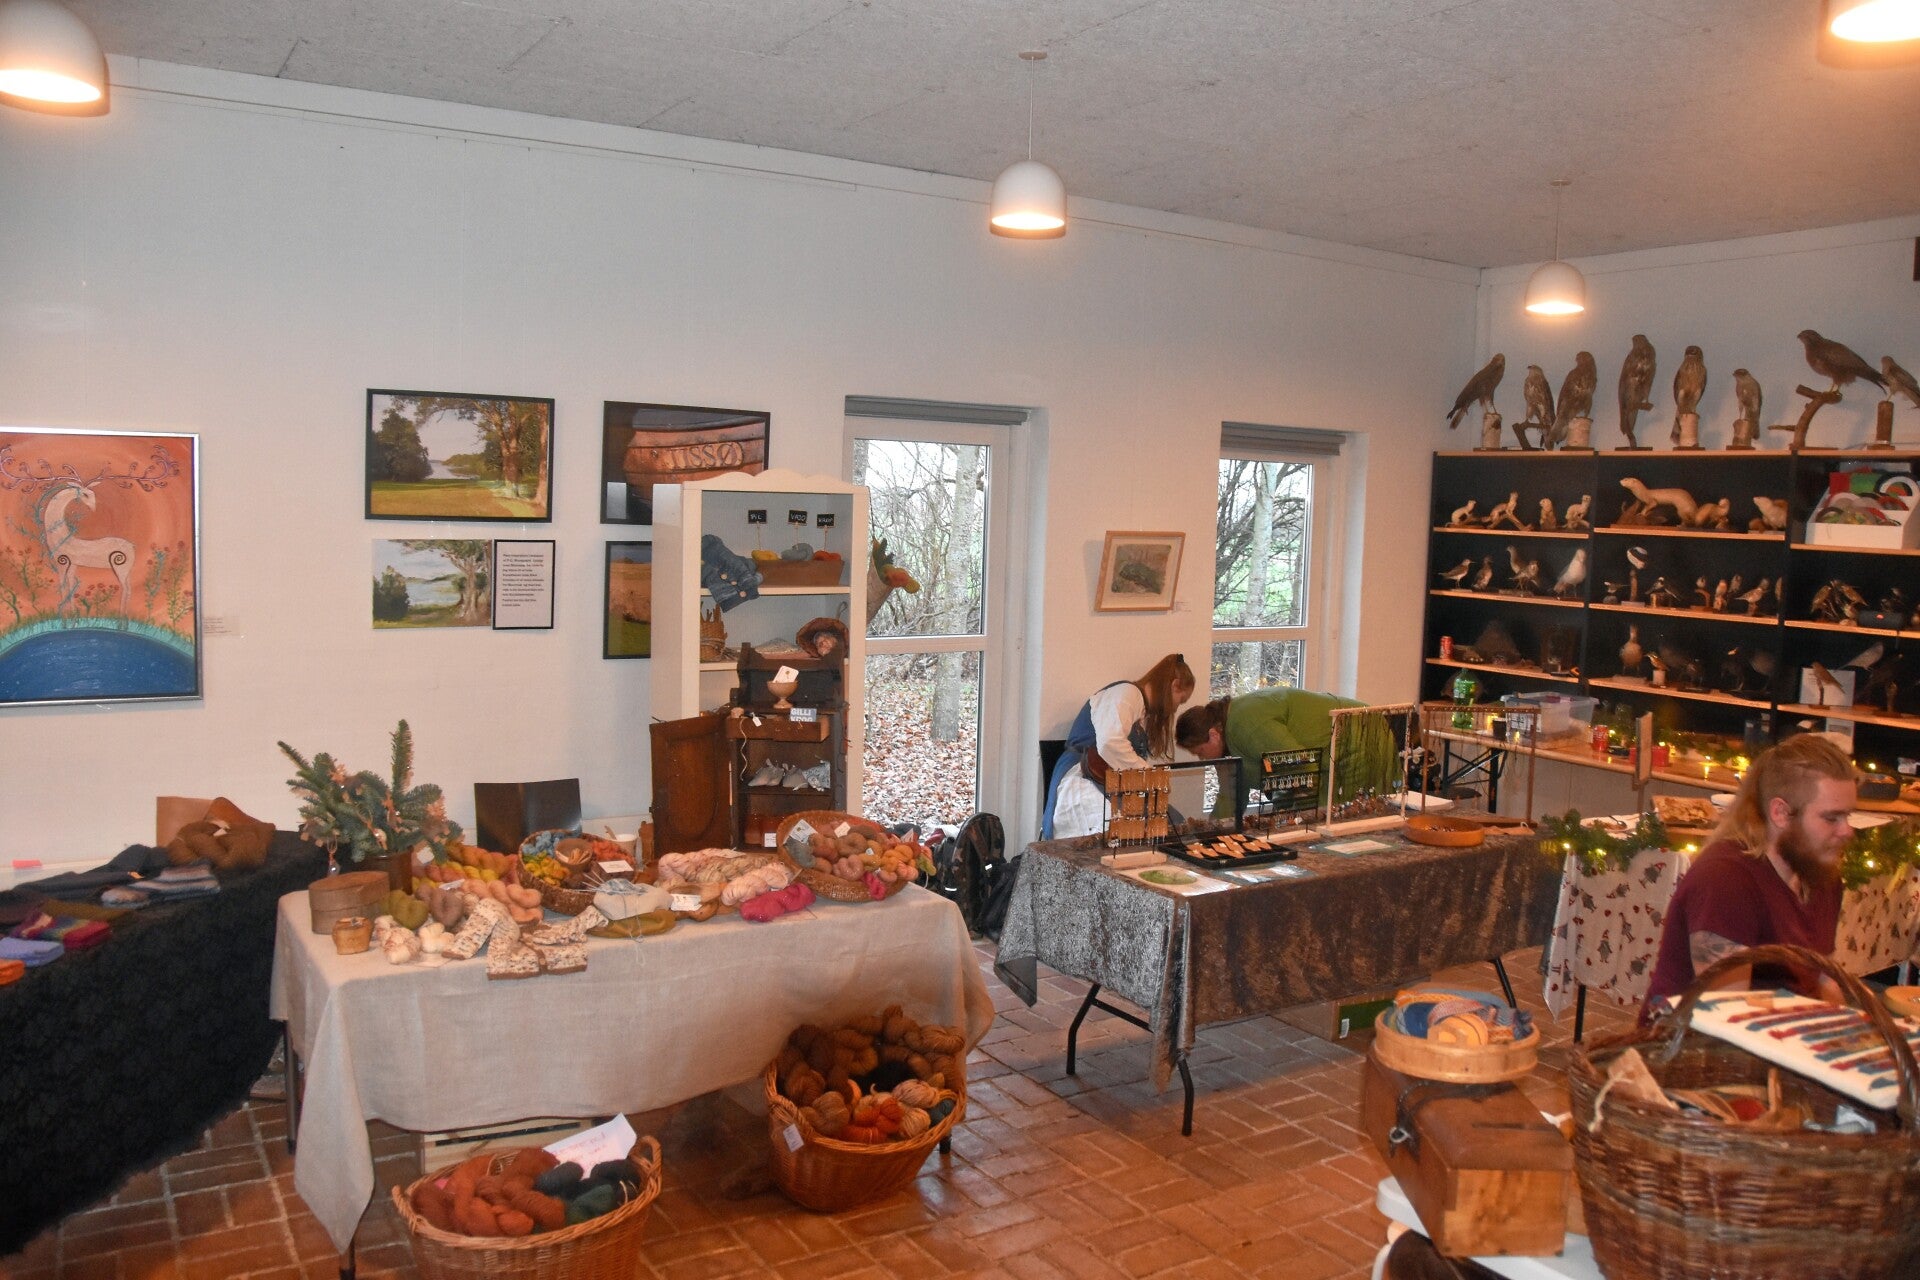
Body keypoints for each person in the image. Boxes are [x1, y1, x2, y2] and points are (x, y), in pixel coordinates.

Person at [1642, 734, 1856, 1017]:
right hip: (1691, 1039)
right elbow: (1729, 1016)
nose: (1847, 831)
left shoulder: (1820, 874)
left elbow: (1823, 980)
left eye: (1848, 816)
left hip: (1780, 1029)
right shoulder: (1725, 879)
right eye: (1831, 818)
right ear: (1781, 813)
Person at [1044, 654, 1194, 840]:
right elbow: (1110, 743)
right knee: (1118, 834)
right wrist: (1149, 775)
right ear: (1175, 685)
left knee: (1172, 823)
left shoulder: (1141, 711)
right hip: (1084, 777)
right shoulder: (1126, 694)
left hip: (1109, 783)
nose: (1176, 708)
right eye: (1181, 700)